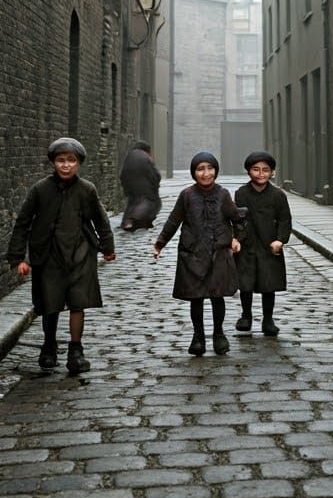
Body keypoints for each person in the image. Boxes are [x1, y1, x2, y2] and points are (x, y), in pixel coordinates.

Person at [6, 137, 116, 375]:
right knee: (50, 303)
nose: (66, 166)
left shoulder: (87, 189)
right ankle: (48, 346)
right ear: (53, 163)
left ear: (78, 163)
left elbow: (100, 219)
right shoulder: (40, 190)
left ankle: (76, 350)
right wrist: (19, 258)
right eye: (61, 160)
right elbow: (23, 223)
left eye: (71, 161)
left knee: (78, 302)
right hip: (48, 254)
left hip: (80, 252)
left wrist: (108, 248)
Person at [153, 151, 243, 356]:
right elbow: (174, 221)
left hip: (218, 253)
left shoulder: (223, 194)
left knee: (217, 297)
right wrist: (160, 243)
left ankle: (219, 334)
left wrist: (236, 238)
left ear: (216, 171)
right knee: (197, 298)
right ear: (194, 172)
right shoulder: (187, 195)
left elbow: (236, 218)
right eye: (200, 169)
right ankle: (198, 336)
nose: (206, 173)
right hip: (193, 254)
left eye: (210, 168)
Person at [234, 151, 292, 337]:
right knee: (246, 282)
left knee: (269, 283)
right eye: (256, 170)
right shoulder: (241, 194)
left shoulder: (277, 195)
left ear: (272, 173)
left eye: (265, 170)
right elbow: (237, 219)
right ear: (249, 172)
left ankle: (268, 318)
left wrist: (280, 240)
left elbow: (285, 220)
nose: (261, 174)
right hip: (248, 245)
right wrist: (235, 238)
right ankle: (246, 315)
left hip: (269, 245)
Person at [118, 140, 162, 231]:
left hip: (128, 183)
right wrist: (155, 186)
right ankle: (134, 220)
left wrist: (125, 186)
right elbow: (154, 174)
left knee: (132, 202)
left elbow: (122, 173)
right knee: (149, 202)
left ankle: (127, 222)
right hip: (143, 185)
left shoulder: (130, 155)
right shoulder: (145, 157)